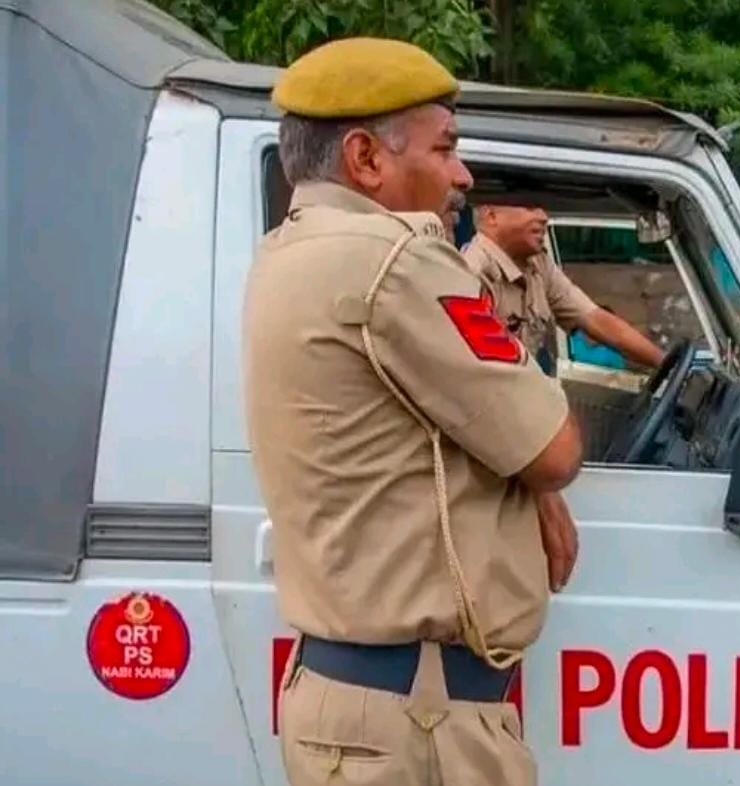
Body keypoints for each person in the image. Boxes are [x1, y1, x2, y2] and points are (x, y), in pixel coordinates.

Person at [241, 37, 584, 786]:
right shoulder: (397, 261)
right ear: (366, 158)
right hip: (420, 722)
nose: (463, 175)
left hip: (357, 699)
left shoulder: (285, 251)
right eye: (446, 148)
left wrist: (531, 482)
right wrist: (538, 477)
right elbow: (554, 448)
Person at [462, 204, 665, 372]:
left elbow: (597, 320)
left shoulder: (538, 264)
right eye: (530, 207)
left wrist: (664, 363)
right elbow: (483, 373)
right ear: (491, 216)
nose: (543, 217)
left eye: (543, 208)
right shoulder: (472, 273)